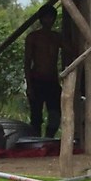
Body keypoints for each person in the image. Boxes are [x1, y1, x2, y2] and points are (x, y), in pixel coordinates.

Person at [22, 9, 64, 140]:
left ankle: (48, 139)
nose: (48, 21)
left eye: (51, 18)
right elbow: (27, 61)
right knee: (36, 116)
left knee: (55, 114)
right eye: (46, 18)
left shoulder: (57, 37)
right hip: (37, 80)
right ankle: (36, 141)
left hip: (52, 80)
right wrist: (29, 85)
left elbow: (71, 50)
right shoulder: (33, 37)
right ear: (41, 19)